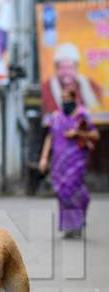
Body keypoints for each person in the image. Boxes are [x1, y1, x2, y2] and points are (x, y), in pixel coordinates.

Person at [39, 88, 100, 238]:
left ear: (74, 98)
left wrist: (78, 133)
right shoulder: (56, 116)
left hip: (76, 161)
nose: (64, 100)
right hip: (59, 162)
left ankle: (77, 224)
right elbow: (49, 138)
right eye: (63, 97)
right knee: (62, 192)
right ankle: (69, 227)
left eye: (67, 97)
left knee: (74, 191)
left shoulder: (82, 115)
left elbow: (95, 134)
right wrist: (44, 158)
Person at [41, 43, 102, 113]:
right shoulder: (46, 88)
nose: (66, 72)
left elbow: (98, 109)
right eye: (62, 68)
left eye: (70, 68)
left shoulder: (91, 86)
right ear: (56, 69)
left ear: (76, 69)